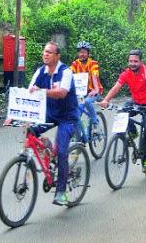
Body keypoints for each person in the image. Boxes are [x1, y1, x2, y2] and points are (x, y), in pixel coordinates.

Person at [29, 41, 79, 206]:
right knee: (31, 132)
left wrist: (42, 91)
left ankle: (61, 192)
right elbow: (30, 93)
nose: (46, 54)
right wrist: (13, 114)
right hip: (49, 114)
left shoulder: (66, 72)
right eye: (44, 51)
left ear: (57, 56)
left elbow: (62, 93)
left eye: (50, 52)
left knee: (63, 151)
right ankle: (48, 151)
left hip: (67, 117)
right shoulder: (40, 72)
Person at [99, 50, 146, 174]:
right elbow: (116, 87)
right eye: (131, 61)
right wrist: (106, 99)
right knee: (121, 111)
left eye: (135, 61)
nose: (132, 64)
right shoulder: (126, 73)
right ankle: (132, 132)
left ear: (141, 62)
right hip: (136, 102)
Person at [70, 41, 104, 137]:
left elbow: (94, 75)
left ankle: (95, 123)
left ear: (88, 53)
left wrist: (96, 89)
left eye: (84, 52)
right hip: (80, 94)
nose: (82, 54)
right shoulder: (75, 64)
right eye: (80, 52)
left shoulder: (93, 63)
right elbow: (69, 74)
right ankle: (80, 136)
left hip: (93, 92)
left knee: (87, 102)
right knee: (76, 113)